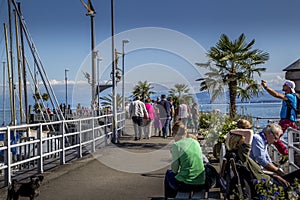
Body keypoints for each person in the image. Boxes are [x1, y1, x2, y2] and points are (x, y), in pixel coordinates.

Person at [225, 120, 289, 188]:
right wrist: (278, 171)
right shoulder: (256, 139)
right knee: (284, 182)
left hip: (254, 172)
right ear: (270, 133)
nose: (276, 141)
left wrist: (276, 170)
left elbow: (267, 159)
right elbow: (261, 160)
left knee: (280, 176)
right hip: (254, 174)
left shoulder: (263, 141)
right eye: (276, 138)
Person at [164, 121, 206, 198]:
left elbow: (174, 170)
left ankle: (170, 197)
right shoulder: (195, 142)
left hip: (186, 184)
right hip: (201, 182)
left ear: (174, 134)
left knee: (168, 174)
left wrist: (174, 154)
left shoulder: (176, 145)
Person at [261, 80, 298, 156]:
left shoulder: (290, 96)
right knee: (275, 137)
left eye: (285, 84)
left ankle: (285, 154)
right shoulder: (291, 96)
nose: (283, 85)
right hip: (287, 120)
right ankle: (285, 153)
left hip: (287, 121)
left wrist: (266, 87)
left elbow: (276, 94)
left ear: (288, 87)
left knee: (274, 137)